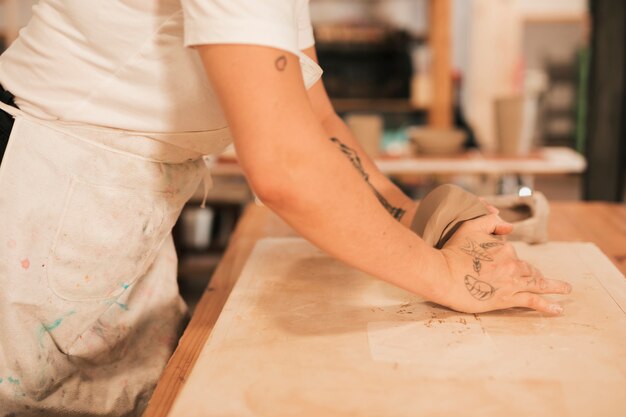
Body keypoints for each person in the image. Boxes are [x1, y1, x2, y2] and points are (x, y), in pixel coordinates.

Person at [0, 0, 572, 415]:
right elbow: (282, 167)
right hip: (46, 188)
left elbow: (315, 120)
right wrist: (448, 278)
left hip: (120, 198)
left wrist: (422, 223)